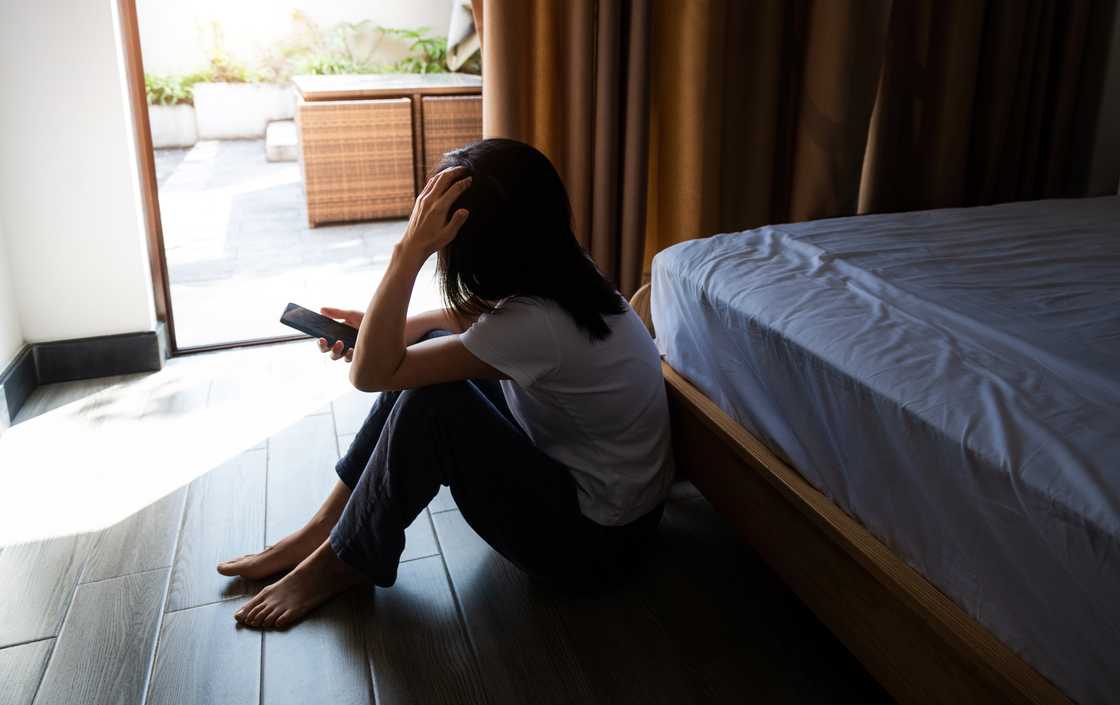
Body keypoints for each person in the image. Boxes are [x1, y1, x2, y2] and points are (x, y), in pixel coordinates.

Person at [217, 138, 674, 629]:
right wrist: (381, 326)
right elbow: (463, 320)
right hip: (621, 512)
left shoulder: (535, 324)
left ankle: (344, 558)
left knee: (434, 400)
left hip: (593, 546)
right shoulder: (561, 269)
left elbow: (371, 375)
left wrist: (407, 253)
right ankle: (328, 528)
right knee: (425, 355)